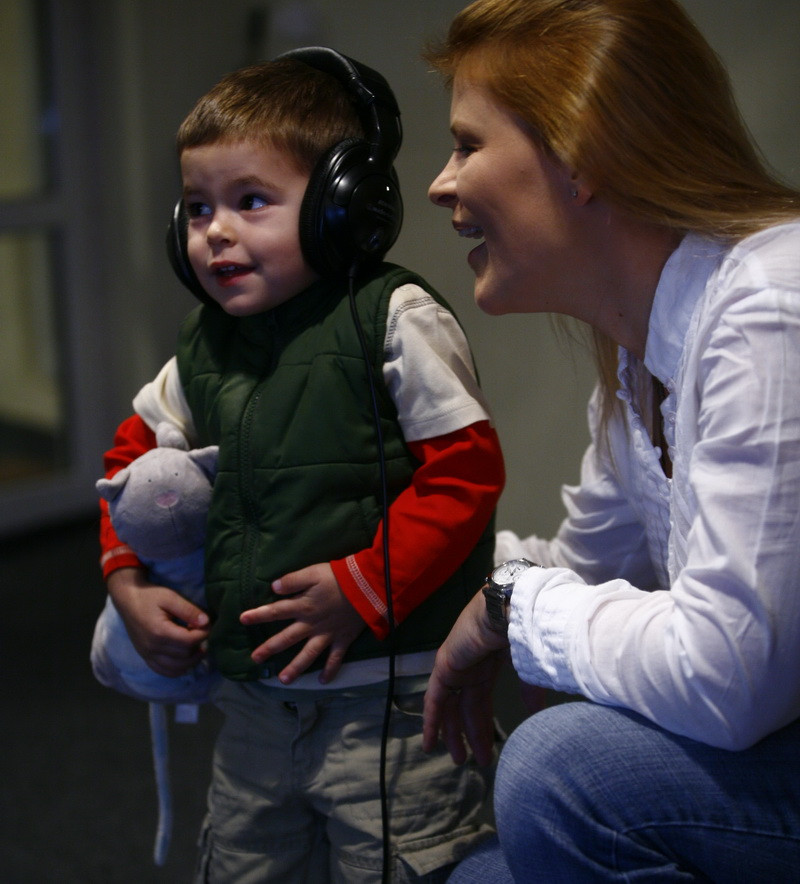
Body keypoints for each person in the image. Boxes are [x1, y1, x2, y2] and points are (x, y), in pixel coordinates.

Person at [98, 49, 505, 882]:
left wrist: (364, 583)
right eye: (198, 207)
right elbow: (126, 461)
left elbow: (465, 469)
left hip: (390, 710)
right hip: (253, 706)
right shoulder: (205, 345)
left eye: (251, 202)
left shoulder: (393, 319)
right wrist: (126, 582)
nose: (216, 231)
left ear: (339, 210)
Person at [420, 0, 800, 880]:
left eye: (468, 145)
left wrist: (510, 609)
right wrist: (389, 564)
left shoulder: (770, 310)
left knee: (560, 777)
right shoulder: (639, 361)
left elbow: (728, 671)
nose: (441, 183)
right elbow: (584, 569)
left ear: (582, 150)